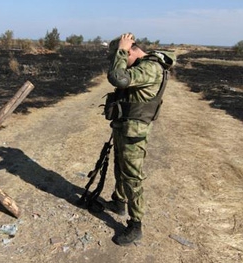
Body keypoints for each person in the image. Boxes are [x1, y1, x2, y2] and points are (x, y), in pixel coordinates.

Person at [104, 33, 176, 246]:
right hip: (125, 125)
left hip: (134, 131)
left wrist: (122, 49)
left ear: (133, 50)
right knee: (119, 165)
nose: (119, 59)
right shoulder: (143, 65)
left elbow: (117, 77)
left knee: (132, 177)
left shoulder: (150, 68)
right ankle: (119, 201)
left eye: (124, 54)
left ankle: (136, 225)